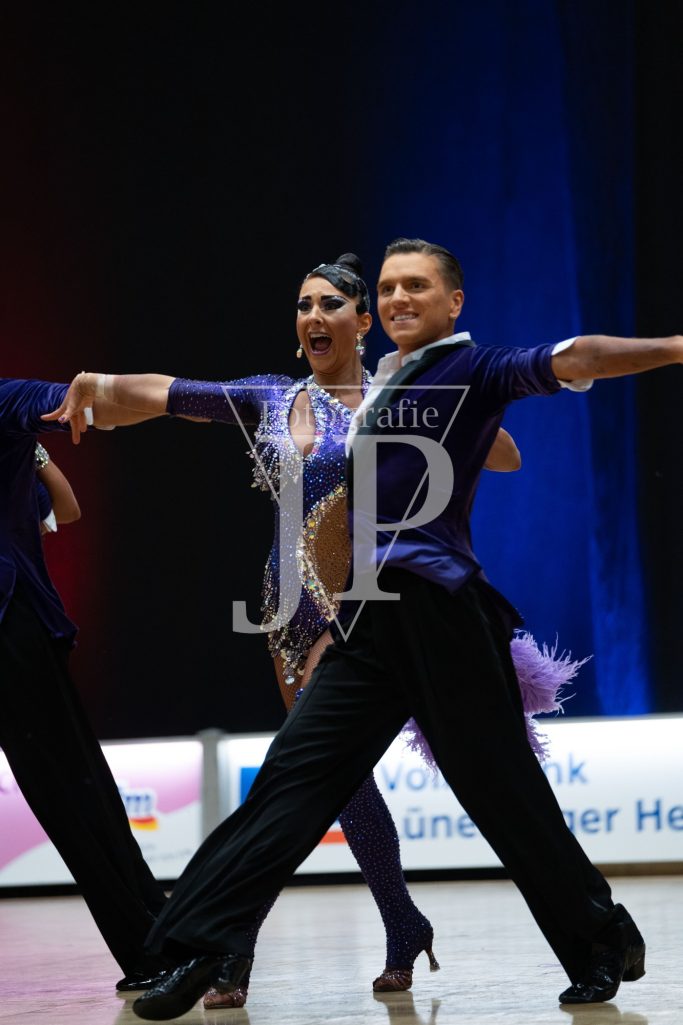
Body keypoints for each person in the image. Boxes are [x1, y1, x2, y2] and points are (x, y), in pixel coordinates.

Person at [46, 241, 641, 1020]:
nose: (316, 315)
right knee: (296, 779)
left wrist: (459, 416)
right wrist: (97, 386)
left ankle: (593, 936)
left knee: (497, 786)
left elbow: (517, 433)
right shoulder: (291, 394)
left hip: (426, 606)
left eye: (334, 301)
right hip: (315, 612)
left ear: (374, 319)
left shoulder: (436, 377)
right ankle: (205, 946)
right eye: (304, 304)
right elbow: (175, 393)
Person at [0, 379, 170, 993]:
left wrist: (179, 400)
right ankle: (159, 943)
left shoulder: (7, 402)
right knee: (74, 793)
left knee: (73, 793)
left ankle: (157, 945)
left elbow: (81, 403)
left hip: (11, 630)